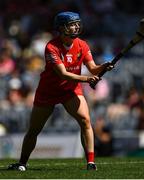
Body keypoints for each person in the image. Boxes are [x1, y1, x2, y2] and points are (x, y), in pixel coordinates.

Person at [7, 11, 114, 171]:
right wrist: (87, 79)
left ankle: (90, 162)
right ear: (62, 27)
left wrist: (104, 66)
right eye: (72, 24)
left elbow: (93, 68)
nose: (76, 26)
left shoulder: (82, 45)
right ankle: (22, 162)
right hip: (48, 91)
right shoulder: (51, 47)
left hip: (70, 90)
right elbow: (63, 74)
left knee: (85, 120)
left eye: (77, 23)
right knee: (34, 130)